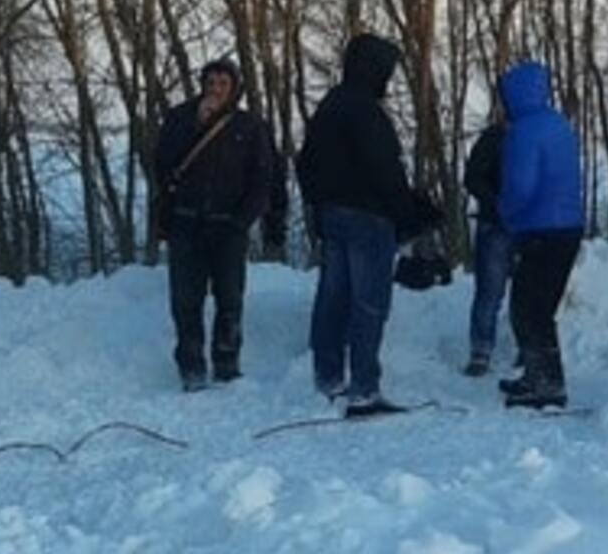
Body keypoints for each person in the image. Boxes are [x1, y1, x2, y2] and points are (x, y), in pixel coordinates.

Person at [295, 33, 434, 416]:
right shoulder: (366, 111)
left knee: (333, 298)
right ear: (376, 69)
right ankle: (364, 388)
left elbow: (305, 163)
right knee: (369, 303)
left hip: (333, 215)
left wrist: (320, 204)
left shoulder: (331, 105)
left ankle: (328, 378)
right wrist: (409, 214)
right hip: (370, 219)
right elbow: (384, 170)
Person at [153, 55, 274, 392]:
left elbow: (262, 179)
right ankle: (191, 366)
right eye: (211, 82)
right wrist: (196, 128)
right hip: (186, 224)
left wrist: (243, 221)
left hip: (228, 226)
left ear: (234, 88)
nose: (216, 89)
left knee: (230, 299)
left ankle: (226, 363)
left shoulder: (250, 127)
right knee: (186, 301)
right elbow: (162, 165)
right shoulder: (179, 119)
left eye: (223, 83)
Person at [489, 59, 584, 410]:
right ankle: (537, 375)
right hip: (567, 226)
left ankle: (547, 384)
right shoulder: (559, 125)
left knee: (529, 309)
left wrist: (506, 213)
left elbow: (521, 186)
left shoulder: (524, 132)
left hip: (539, 228)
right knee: (539, 306)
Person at [460, 108, 510, 377]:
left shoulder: (527, 136)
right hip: (495, 223)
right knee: (490, 291)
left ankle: (526, 349)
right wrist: (495, 203)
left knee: (526, 294)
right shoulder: (492, 138)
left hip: (524, 225)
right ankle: (480, 350)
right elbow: (472, 178)